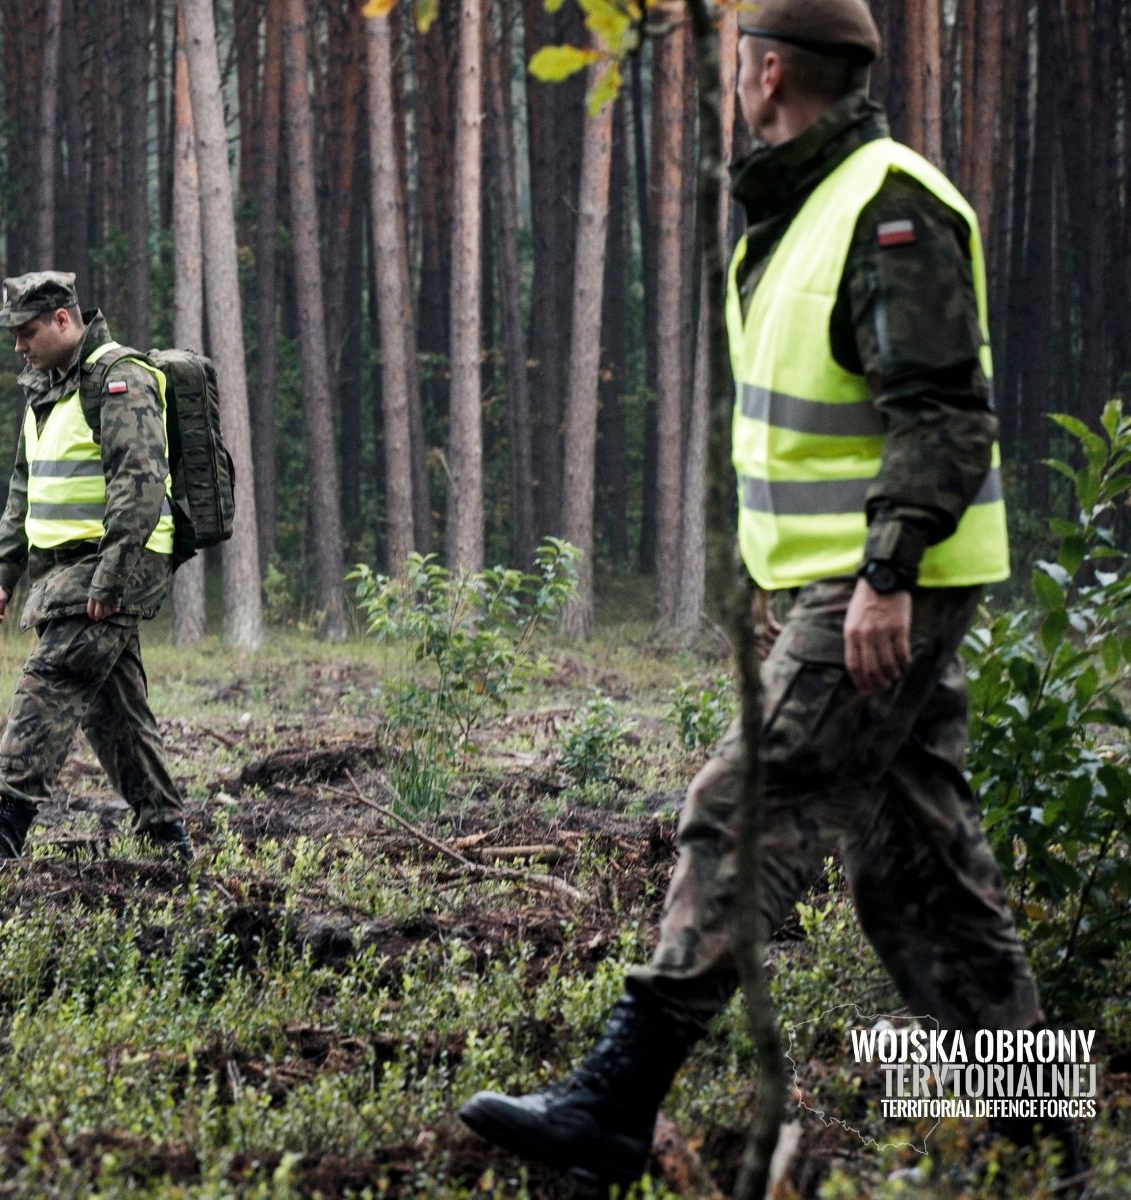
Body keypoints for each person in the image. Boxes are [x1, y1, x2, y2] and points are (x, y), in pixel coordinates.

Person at [457, 0, 1083, 1187]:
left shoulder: (889, 205)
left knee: (741, 804)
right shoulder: (801, 207)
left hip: (880, 587)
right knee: (926, 890)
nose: (734, 77)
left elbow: (941, 411)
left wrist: (887, 574)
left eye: (739, 58)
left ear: (771, 69)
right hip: (843, 585)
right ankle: (1047, 1155)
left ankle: (612, 1102)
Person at [0, 272, 193, 864]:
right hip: (63, 570)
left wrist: (113, 575)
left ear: (62, 320)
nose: (18, 346)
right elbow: (23, 491)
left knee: (52, 676)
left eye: (26, 332)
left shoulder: (118, 378)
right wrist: (3, 576)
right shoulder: (46, 391)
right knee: (113, 711)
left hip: (116, 563)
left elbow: (140, 485)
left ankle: (6, 829)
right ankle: (168, 837)